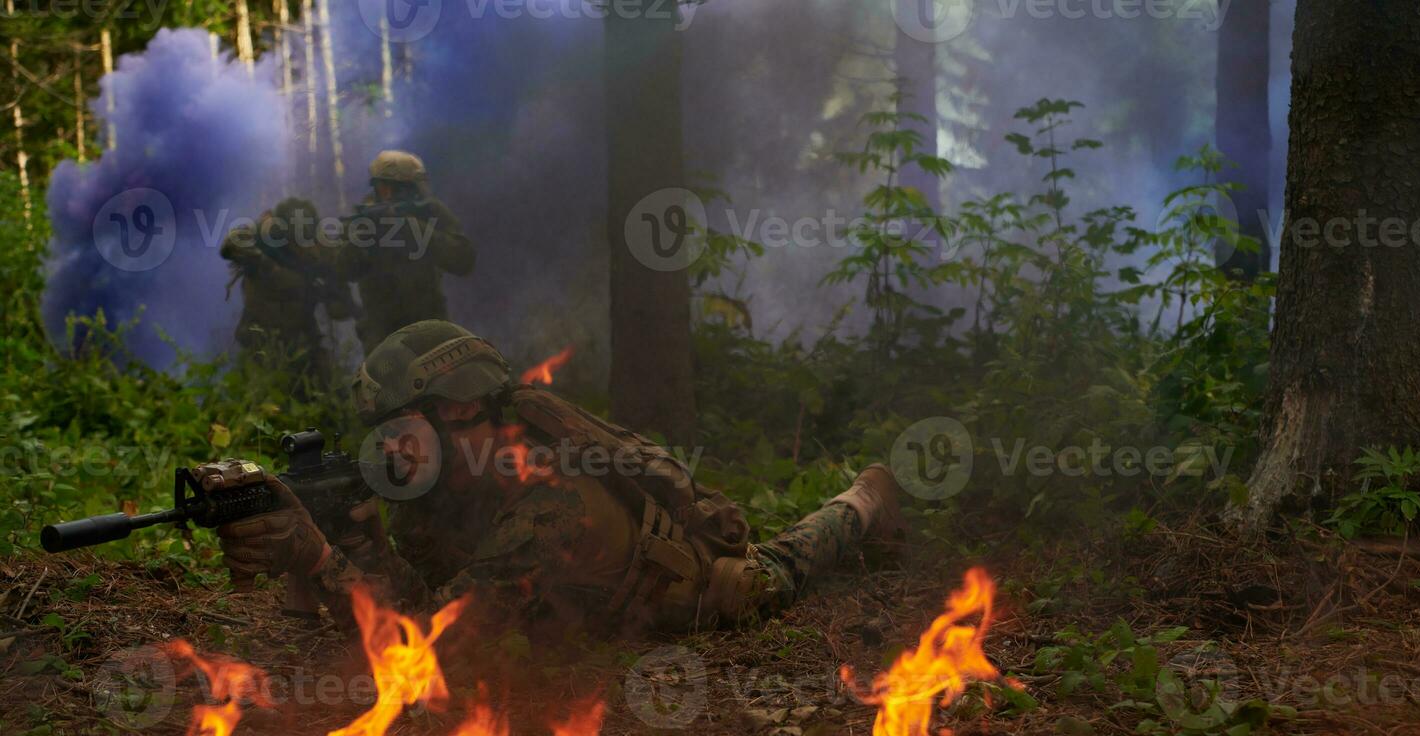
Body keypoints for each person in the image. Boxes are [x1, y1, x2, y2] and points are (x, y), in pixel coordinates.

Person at [213, 320, 905, 634]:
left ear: (457, 409)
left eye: (400, 427)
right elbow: (416, 595)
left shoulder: (550, 504)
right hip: (554, 609)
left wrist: (317, 555)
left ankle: (863, 500)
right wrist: (361, 549)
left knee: (773, 573)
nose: (389, 449)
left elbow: (427, 649)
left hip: (679, 589)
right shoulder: (440, 480)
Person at [339, 151, 476, 355]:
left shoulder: (429, 212)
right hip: (383, 336)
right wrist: (362, 241)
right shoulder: (364, 221)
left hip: (431, 329)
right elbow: (344, 269)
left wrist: (411, 228)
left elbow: (463, 259)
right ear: (384, 189)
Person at [221, 197, 354, 394]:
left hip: (305, 341)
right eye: (297, 240)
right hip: (262, 341)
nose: (305, 247)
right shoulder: (265, 241)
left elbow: (340, 309)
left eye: (308, 239)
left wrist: (334, 288)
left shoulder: (319, 249)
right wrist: (263, 263)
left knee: (329, 397)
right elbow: (229, 246)